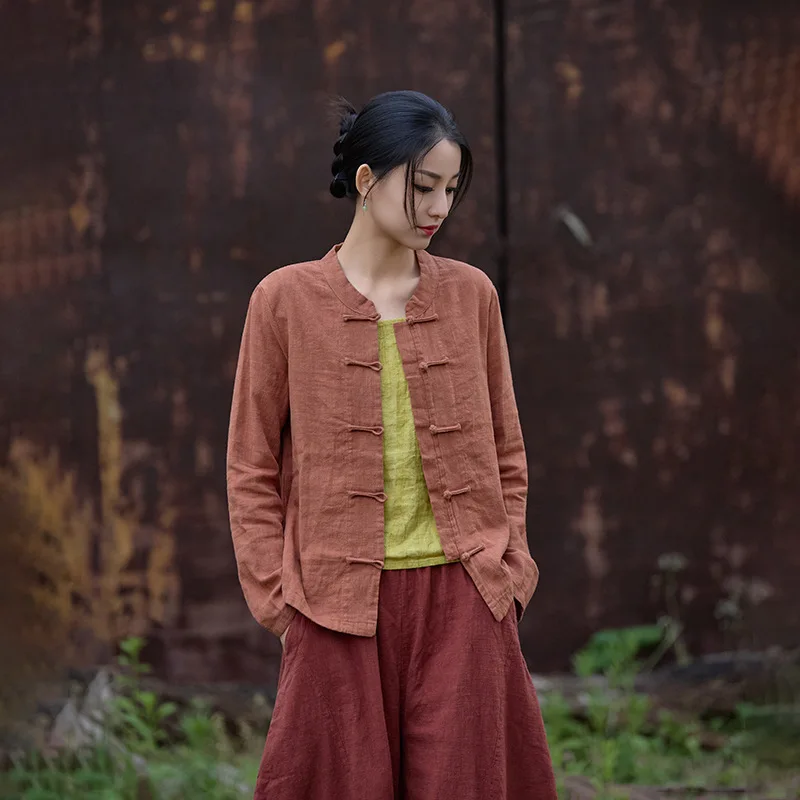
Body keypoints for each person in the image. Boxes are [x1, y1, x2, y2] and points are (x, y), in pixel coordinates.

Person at [226, 90, 556, 799]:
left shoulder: (473, 296)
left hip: (465, 598)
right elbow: (250, 465)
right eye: (423, 186)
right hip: (332, 606)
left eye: (451, 190)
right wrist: (279, 603)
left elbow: (508, 449)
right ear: (369, 181)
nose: (439, 208)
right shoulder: (283, 300)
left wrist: (512, 570)